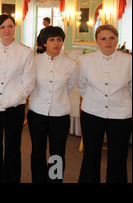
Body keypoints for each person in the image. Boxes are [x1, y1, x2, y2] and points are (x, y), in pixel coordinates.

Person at [0, 14, 35, 183]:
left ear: (15, 28)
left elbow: (28, 81)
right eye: (2, 27)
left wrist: (11, 101)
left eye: (10, 26)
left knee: (13, 146)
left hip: (15, 107)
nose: (6, 30)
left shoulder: (25, 52)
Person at [77, 25, 132, 183]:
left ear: (117, 40)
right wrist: (95, 99)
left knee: (119, 156)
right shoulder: (85, 60)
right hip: (92, 112)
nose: (108, 41)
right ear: (97, 41)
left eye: (112, 38)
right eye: (103, 38)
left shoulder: (129, 61)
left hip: (121, 114)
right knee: (91, 154)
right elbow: (81, 85)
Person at [27, 26, 78, 183]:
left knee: (57, 153)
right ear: (44, 42)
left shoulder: (71, 64)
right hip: (37, 112)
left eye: (59, 39)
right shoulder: (34, 61)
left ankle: (55, 181)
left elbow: (70, 87)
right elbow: (28, 84)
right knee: (38, 151)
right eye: (52, 40)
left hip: (60, 114)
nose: (56, 43)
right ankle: (38, 179)